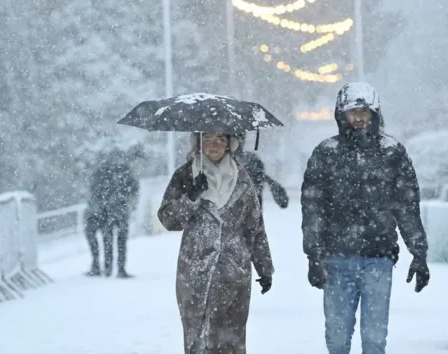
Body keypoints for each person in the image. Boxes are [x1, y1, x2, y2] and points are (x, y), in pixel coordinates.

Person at [301, 82, 430, 354]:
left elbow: (407, 205)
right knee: (337, 339)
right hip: (336, 260)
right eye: (352, 112)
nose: (359, 118)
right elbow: (313, 207)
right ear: (341, 114)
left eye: (364, 112)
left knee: (374, 339)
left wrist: (419, 252)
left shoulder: (392, 152)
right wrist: (313, 255)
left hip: (378, 259)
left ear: (375, 114)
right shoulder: (326, 153)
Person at [157, 132, 274, 354]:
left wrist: (264, 267)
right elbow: (168, 219)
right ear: (199, 142)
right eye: (209, 138)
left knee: (231, 342)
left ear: (231, 144)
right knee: (198, 342)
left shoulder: (242, 178)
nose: (215, 145)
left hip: (234, 273)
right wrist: (191, 197)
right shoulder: (184, 175)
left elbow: (255, 227)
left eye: (221, 139)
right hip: (195, 273)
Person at [84, 146, 142, 278]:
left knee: (108, 240)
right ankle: (119, 269)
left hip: (108, 212)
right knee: (120, 241)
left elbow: (95, 191)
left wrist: (102, 204)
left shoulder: (102, 172)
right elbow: (134, 188)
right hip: (119, 211)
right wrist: (129, 202)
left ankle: (109, 268)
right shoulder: (124, 171)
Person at [234, 132, 289, 210]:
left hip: (249, 209)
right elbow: (263, 179)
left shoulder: (251, 159)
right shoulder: (250, 159)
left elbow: (262, 179)